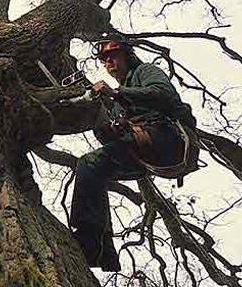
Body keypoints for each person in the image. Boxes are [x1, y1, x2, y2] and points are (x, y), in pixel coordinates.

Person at [69, 34, 197, 272]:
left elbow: (164, 94)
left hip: (166, 139)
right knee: (94, 171)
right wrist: (100, 117)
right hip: (141, 153)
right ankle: (103, 250)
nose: (109, 63)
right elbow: (112, 139)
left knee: (90, 163)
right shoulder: (116, 103)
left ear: (127, 55)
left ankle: (87, 240)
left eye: (113, 56)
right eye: (104, 60)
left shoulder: (145, 72)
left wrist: (117, 93)